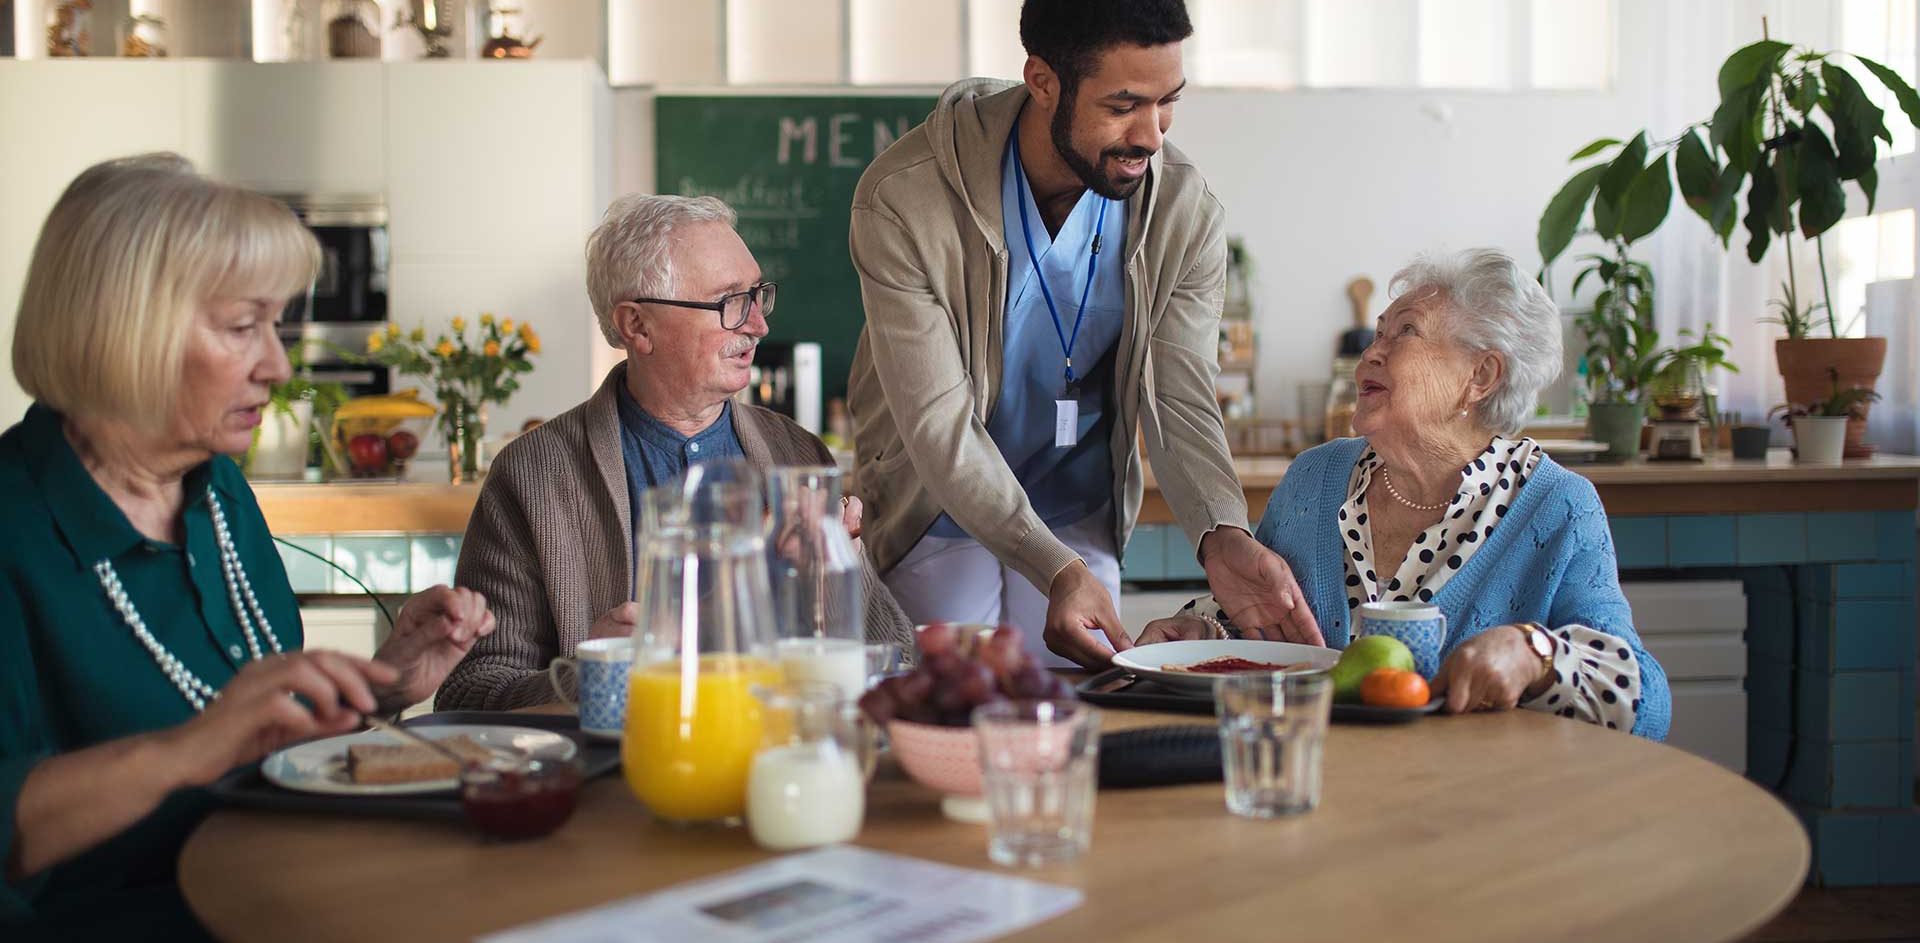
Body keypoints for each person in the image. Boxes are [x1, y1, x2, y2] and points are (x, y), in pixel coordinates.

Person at [0, 154, 496, 939]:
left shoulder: (217, 493)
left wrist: (382, 687)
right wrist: (188, 750)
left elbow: (264, 740)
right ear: (126, 330)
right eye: (243, 326)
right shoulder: (14, 526)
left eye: (277, 324)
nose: (278, 363)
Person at [846, 0, 1317, 669]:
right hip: (937, 511)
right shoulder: (905, 199)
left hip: (1080, 510)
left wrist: (1220, 533)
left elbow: (1181, 398)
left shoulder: (1184, 211)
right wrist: (1050, 566)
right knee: (955, 705)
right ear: (1042, 81)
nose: (1151, 135)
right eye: (1123, 105)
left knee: (1086, 713)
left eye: (1167, 102)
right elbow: (937, 426)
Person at [1142, 249, 1670, 739]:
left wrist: (1536, 654)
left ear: (1480, 375)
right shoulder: (1313, 478)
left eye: (1405, 333)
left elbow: (1645, 703)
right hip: (1313, 791)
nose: (1370, 353)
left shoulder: (1558, 506)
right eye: (1376, 335)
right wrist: (1200, 631)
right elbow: (1258, 621)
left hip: (1472, 815)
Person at [436, 194, 914, 711]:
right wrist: (596, 670)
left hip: (774, 759)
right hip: (619, 781)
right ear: (637, 326)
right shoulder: (532, 476)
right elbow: (468, 695)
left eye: (757, 294)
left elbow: (895, 656)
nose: (758, 324)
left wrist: (840, 562)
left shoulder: (797, 454)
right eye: (730, 301)